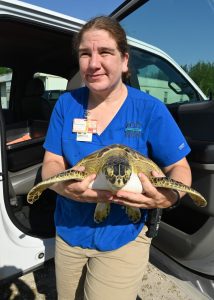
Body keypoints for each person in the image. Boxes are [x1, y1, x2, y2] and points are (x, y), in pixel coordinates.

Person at [42, 16, 192, 300]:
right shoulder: (65, 104)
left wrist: (169, 197)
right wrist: (63, 188)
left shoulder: (150, 109)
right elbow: (51, 161)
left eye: (105, 52)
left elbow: (179, 166)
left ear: (124, 61)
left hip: (122, 235)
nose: (93, 63)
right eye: (85, 53)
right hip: (69, 230)